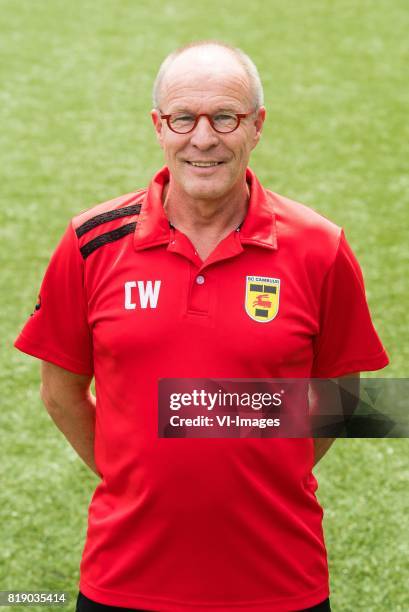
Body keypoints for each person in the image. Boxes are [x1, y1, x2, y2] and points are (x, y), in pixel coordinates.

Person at [14, 41, 389, 612]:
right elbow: (60, 390)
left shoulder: (320, 248)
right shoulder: (91, 243)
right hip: (123, 578)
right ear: (158, 126)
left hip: (280, 581)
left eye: (226, 117)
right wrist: (133, 473)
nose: (204, 138)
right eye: (183, 118)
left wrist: (261, 460)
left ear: (257, 125)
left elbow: (340, 393)